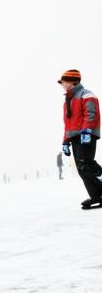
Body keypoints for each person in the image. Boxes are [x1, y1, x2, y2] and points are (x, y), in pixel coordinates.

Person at [58, 69, 102, 209]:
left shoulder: (86, 94)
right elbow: (68, 124)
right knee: (81, 168)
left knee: (86, 163)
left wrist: (87, 130)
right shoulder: (67, 101)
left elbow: (91, 113)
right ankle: (97, 195)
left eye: (64, 82)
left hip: (86, 134)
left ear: (73, 82)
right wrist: (65, 140)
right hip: (75, 137)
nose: (62, 85)